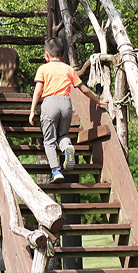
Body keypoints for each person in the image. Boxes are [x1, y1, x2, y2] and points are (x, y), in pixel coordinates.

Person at [28, 37, 106, 183]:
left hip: (50, 102)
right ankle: (67, 147)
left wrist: (32, 110)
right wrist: (98, 100)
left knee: (49, 141)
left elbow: (38, 90)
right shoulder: (68, 69)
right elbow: (82, 88)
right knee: (62, 134)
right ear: (63, 55)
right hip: (66, 104)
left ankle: (56, 171)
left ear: (46, 55)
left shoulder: (43, 69)